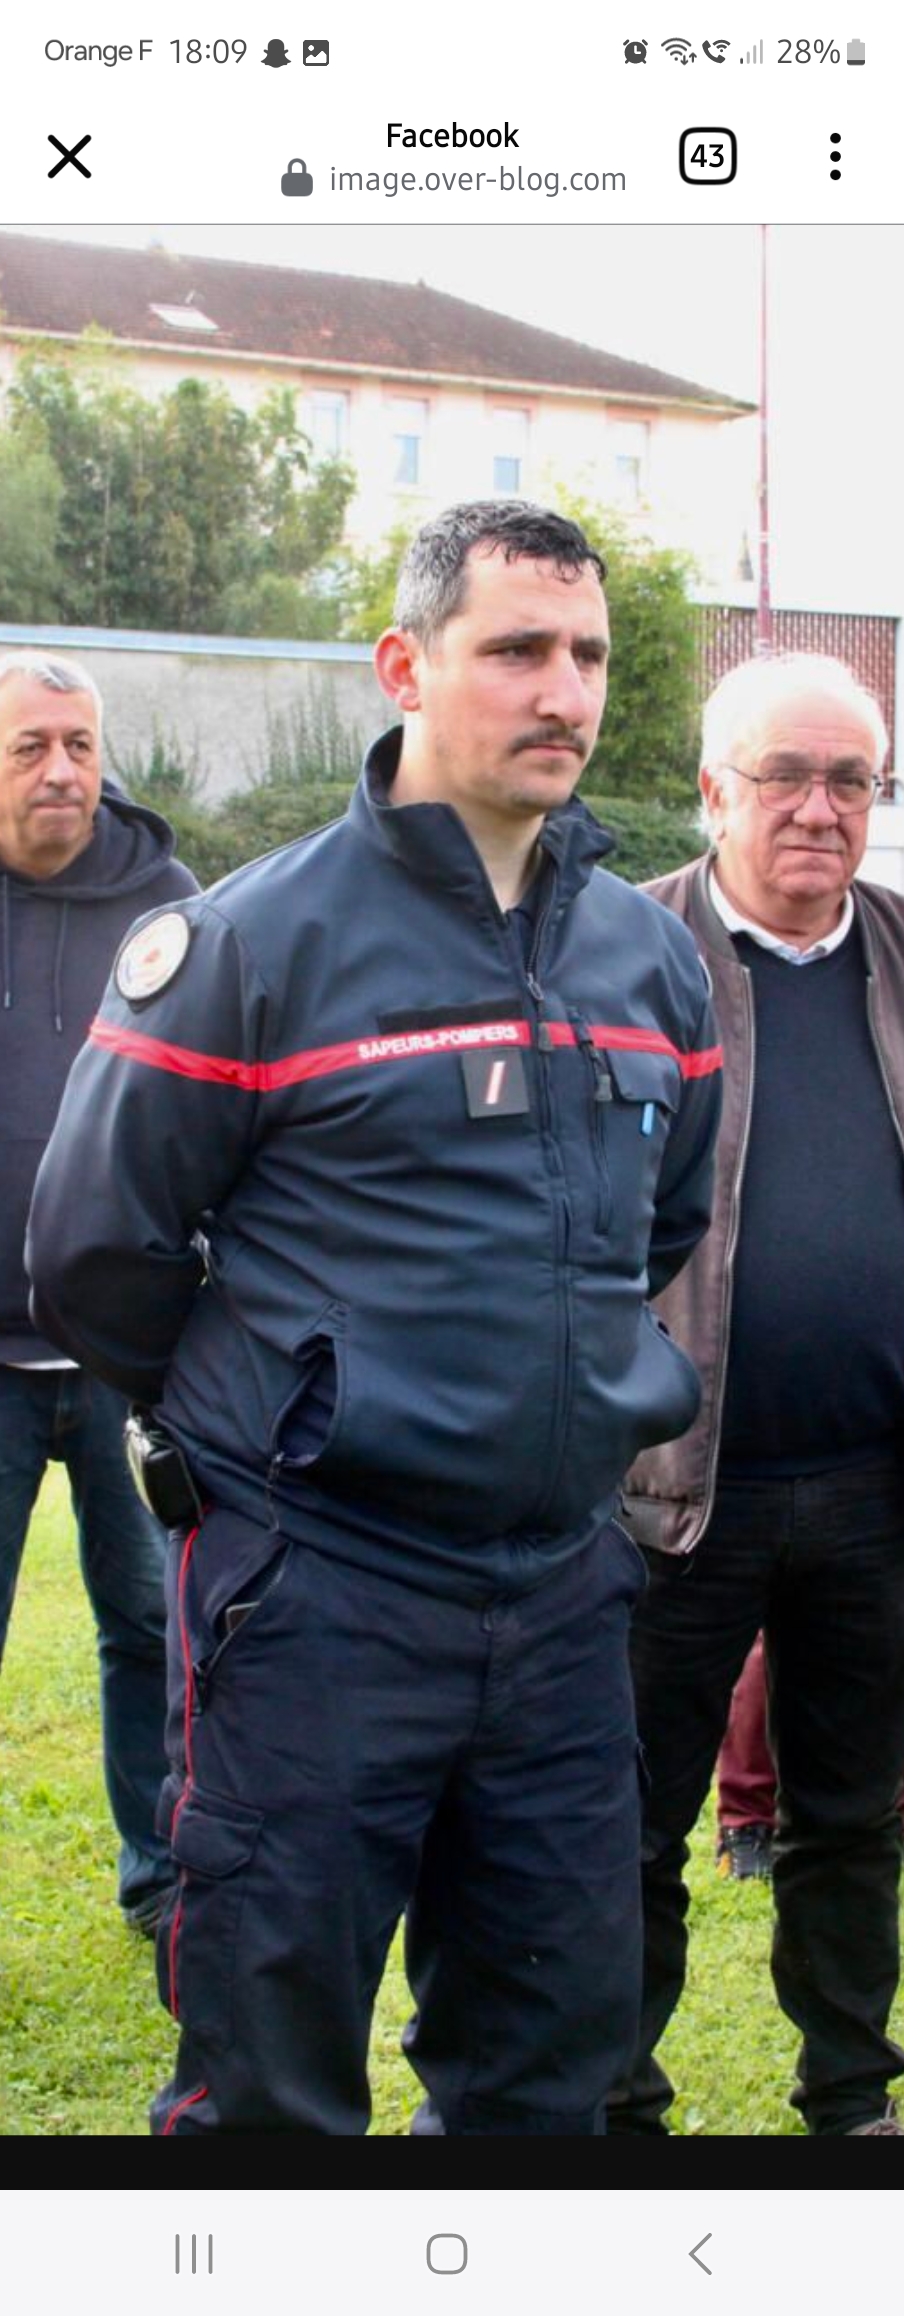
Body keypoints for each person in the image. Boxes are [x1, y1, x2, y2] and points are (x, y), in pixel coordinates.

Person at [27, 500, 721, 2137]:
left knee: (547, 2068)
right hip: (317, 1596)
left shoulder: (649, 963)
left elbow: (659, 1225)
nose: (564, 691)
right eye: (516, 650)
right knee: (270, 2081)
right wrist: (289, 1415)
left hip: (564, 1598)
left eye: (588, 655)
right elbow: (97, 1255)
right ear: (404, 666)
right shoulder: (248, 943)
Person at [609, 650, 904, 2137]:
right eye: (783, 775)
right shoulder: (617, 952)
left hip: (874, 1490)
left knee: (853, 1821)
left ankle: (850, 2097)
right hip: (667, 1490)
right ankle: (614, 2104)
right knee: (625, 1826)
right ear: (713, 790)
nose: (817, 808)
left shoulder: (902, 951)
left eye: (850, 779)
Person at [0, 650, 197, 1934]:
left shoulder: (168, 907)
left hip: (129, 1357)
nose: (62, 770)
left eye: (79, 743)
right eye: (30, 746)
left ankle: (161, 1875)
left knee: (150, 1630)